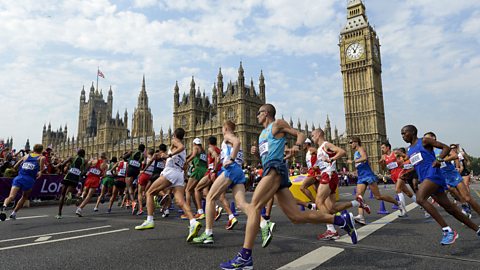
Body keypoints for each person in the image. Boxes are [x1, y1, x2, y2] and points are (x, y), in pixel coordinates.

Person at [220, 104, 357, 270]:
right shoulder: (262, 133)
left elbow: (300, 134)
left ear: (266, 113)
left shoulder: (277, 124)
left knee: (254, 206)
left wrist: (297, 147)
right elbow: (267, 154)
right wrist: (256, 153)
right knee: (296, 217)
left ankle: (245, 257)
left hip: (275, 169)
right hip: (272, 169)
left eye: (258, 113)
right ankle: (341, 220)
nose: (256, 116)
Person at [401, 125, 480, 245]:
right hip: (426, 178)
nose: (402, 136)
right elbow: (420, 165)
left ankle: (447, 231)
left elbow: (446, 148)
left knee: (420, 199)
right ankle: (477, 229)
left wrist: (439, 159)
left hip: (433, 175)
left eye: (404, 133)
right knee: (450, 209)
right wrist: (409, 174)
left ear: (412, 132)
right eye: (401, 134)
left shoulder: (424, 141)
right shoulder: (409, 150)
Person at [134, 128, 202, 243]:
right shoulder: (183, 152)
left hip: (170, 172)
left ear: (175, 135)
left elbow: (180, 148)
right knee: (180, 201)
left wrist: (169, 154)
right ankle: (193, 222)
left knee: (149, 192)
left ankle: (150, 220)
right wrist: (162, 155)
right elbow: (184, 163)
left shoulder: (175, 141)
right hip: (179, 174)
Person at [192, 121, 252, 244]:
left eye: (222, 128)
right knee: (241, 204)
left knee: (209, 197)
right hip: (238, 171)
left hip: (231, 169)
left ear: (225, 128)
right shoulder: (229, 141)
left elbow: (237, 143)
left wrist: (230, 159)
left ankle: (208, 233)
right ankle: (264, 224)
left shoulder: (227, 136)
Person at [312, 129, 370, 240]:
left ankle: (331, 230)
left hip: (328, 175)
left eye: (313, 135)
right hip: (329, 175)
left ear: (319, 134)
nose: (312, 137)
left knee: (319, 202)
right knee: (331, 208)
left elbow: (342, 151)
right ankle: (357, 203)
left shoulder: (325, 144)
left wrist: (331, 159)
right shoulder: (320, 149)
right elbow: (324, 163)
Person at [347, 136, 403, 225]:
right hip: (361, 176)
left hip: (368, 176)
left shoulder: (361, 149)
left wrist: (354, 161)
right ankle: (361, 216)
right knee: (358, 197)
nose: (349, 145)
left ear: (356, 142)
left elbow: (365, 157)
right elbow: (366, 162)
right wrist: (356, 171)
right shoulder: (355, 153)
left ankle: (398, 203)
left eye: (350, 142)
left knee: (378, 196)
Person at [425, 133, 480, 219]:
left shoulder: (442, 148)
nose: (425, 140)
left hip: (452, 175)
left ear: (433, 138)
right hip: (442, 177)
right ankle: (464, 204)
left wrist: (442, 159)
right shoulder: (427, 152)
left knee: (467, 197)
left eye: (427, 138)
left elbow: (455, 156)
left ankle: (466, 204)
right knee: (451, 191)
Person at [193, 136, 235, 228]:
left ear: (208, 142)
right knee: (217, 195)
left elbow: (217, 158)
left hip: (212, 172)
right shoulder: (219, 149)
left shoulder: (211, 149)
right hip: (221, 172)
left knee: (197, 189)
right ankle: (231, 216)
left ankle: (201, 212)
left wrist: (214, 171)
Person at [1, 144, 45, 221]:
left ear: (34, 149)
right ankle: (13, 213)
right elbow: (41, 171)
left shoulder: (26, 156)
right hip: (29, 180)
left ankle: (4, 206)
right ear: (41, 150)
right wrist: (38, 173)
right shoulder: (42, 157)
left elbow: (15, 167)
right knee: (24, 197)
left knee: (11, 196)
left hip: (19, 178)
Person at [379, 142, 416, 216]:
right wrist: (382, 163)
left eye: (383, 147)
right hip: (393, 175)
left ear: (388, 147)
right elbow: (383, 168)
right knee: (408, 193)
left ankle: (403, 211)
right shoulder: (383, 157)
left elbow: (406, 157)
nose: (382, 149)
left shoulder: (395, 153)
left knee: (397, 189)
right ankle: (422, 204)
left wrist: (402, 162)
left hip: (401, 172)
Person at [56, 149, 86, 219]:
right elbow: (84, 171)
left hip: (68, 176)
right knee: (68, 192)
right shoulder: (85, 161)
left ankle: (59, 214)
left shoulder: (72, 158)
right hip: (75, 178)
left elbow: (62, 164)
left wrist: (61, 172)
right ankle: (69, 195)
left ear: (77, 153)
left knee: (62, 195)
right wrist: (80, 174)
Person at [76, 152, 108, 217]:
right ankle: (79, 209)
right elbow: (104, 175)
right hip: (96, 179)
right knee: (89, 196)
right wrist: (101, 174)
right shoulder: (105, 165)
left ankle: (82, 196)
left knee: (85, 190)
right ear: (105, 158)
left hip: (89, 177)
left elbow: (87, 165)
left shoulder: (94, 161)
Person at [183, 138, 208, 219]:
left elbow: (193, 155)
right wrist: (186, 157)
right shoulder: (203, 151)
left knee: (187, 190)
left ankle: (188, 213)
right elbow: (191, 154)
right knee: (195, 191)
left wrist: (186, 162)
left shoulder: (195, 147)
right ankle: (199, 211)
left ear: (194, 143)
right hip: (204, 170)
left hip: (197, 170)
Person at [125, 144, 145, 215]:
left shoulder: (133, 153)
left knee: (129, 187)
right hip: (136, 171)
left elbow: (124, 158)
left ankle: (133, 202)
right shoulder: (142, 156)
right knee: (136, 188)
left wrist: (128, 153)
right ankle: (136, 202)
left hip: (130, 170)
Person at [299, 139, 319, 205]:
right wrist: (306, 168)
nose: (302, 146)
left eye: (303, 144)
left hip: (314, 171)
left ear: (307, 144)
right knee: (318, 190)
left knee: (302, 188)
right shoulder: (308, 152)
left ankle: (315, 203)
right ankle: (324, 205)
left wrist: (319, 166)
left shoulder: (311, 149)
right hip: (313, 170)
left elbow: (320, 153)